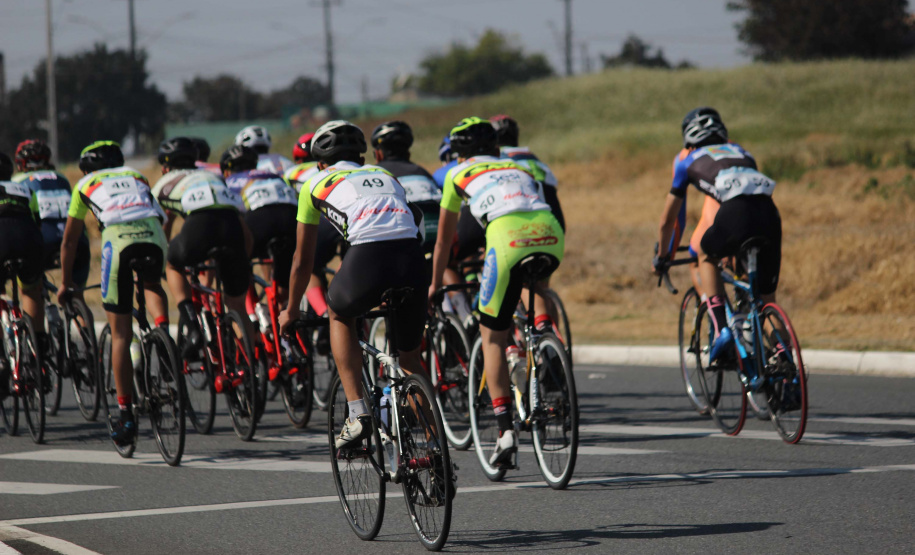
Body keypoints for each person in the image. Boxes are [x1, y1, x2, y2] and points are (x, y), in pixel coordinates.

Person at [278, 120, 426, 449]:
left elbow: (303, 260)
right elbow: (413, 218)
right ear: (361, 157)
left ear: (319, 163)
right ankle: (435, 449)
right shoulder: (386, 175)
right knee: (411, 360)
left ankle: (357, 414)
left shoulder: (314, 184)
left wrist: (291, 310)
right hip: (413, 257)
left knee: (339, 313)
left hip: (368, 256)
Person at [429, 117, 565, 467]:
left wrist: (434, 284)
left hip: (506, 238)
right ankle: (545, 341)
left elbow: (445, 240)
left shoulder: (457, 175)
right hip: (550, 233)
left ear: (458, 154)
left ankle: (505, 431)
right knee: (531, 286)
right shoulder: (517, 164)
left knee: (492, 335)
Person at [653, 107, 782, 364]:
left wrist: (663, 255)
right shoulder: (742, 152)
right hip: (770, 215)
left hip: (734, 212)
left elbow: (669, 219)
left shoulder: (686, 159)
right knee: (766, 301)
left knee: (704, 253)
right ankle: (785, 358)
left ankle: (723, 329)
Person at [59, 141, 169, 444]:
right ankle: (164, 337)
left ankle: (126, 416)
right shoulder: (137, 175)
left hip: (118, 243)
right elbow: (163, 217)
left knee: (120, 334)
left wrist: (66, 283)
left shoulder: (84, 183)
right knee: (152, 284)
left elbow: (69, 241)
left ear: (86, 169)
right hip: (153, 237)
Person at [150, 137, 254, 372]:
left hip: (199, 226)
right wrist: (242, 261)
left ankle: (193, 327)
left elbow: (162, 227)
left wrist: (164, 255)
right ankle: (249, 369)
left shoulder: (165, 182)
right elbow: (246, 233)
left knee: (173, 264)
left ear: (165, 167)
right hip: (232, 229)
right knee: (236, 305)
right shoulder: (215, 177)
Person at [221, 145, 298, 306]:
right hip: (291, 217)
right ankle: (282, 307)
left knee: (238, 261)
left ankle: (254, 312)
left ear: (227, 171)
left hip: (260, 218)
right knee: (283, 288)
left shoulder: (229, 181)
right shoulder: (274, 175)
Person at [12, 140, 91, 296]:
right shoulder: (62, 178)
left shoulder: (17, 181)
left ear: (20, 164)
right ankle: (79, 312)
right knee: (75, 292)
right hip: (75, 241)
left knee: (30, 292)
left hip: (42, 239)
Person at [370, 121, 441, 261]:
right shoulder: (423, 173)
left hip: (400, 242)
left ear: (378, 154)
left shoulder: (375, 176)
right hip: (435, 237)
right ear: (408, 154)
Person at [491, 115, 565, 231]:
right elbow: (552, 189)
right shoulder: (535, 160)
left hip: (515, 227)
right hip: (551, 225)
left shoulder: (495, 161)